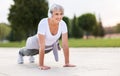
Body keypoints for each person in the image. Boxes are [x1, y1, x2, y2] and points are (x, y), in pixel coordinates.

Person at [17, 4, 76, 70]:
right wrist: (41, 65)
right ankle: (20, 53)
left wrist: (67, 63)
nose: (59, 16)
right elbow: (41, 46)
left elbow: (65, 44)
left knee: (46, 50)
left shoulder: (63, 24)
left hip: (47, 45)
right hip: (34, 42)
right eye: (56, 14)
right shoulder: (43, 23)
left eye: (61, 14)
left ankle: (32, 55)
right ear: (50, 14)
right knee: (29, 52)